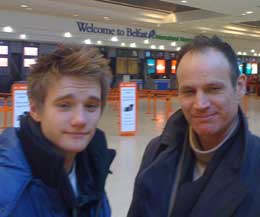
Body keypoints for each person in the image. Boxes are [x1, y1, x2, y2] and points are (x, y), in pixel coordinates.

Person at [127, 35, 260, 217]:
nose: (200, 104)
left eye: (213, 89)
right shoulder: (156, 151)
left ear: (239, 87)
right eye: (189, 91)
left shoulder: (255, 161)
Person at [0, 44, 116, 217]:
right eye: (64, 105)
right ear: (35, 110)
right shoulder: (8, 193)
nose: (80, 120)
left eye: (91, 106)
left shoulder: (92, 168)